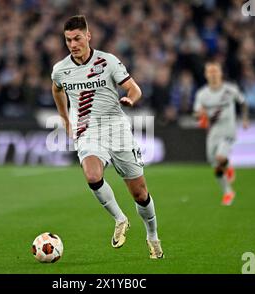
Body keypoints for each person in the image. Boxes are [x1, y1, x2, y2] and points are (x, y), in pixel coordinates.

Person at [51, 15, 163, 259]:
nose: (72, 44)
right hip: (87, 130)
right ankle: (120, 219)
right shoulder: (61, 70)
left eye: (77, 38)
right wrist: (65, 118)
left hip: (117, 129)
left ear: (88, 36)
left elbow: (134, 88)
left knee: (140, 193)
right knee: (92, 175)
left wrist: (130, 99)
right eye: (68, 40)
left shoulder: (108, 61)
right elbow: (56, 88)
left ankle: (152, 236)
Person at [193, 61, 249, 206]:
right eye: (210, 72)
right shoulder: (202, 94)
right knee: (216, 165)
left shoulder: (230, 90)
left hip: (228, 130)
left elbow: (243, 102)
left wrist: (244, 119)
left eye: (215, 71)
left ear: (220, 73)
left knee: (220, 157)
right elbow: (196, 113)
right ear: (206, 75)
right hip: (213, 132)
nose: (213, 74)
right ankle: (228, 192)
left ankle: (227, 164)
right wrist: (200, 115)